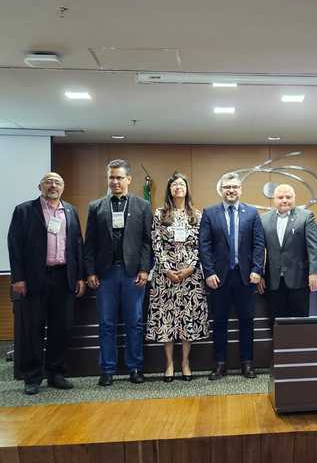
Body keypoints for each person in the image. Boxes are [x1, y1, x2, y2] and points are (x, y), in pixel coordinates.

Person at [8, 172, 85, 395]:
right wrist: (18, 278)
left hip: (64, 277)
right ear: (40, 186)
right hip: (35, 278)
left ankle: (56, 373)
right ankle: (32, 377)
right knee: (33, 328)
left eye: (57, 182)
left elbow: (77, 245)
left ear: (63, 187)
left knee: (61, 327)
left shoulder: (70, 211)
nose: (53, 185)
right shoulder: (24, 210)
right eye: (48, 182)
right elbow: (15, 245)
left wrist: (79, 276)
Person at [85, 159, 153, 386]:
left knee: (135, 322)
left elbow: (147, 242)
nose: (115, 181)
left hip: (133, 273)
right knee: (106, 323)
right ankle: (107, 370)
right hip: (105, 275)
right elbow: (89, 243)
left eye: (119, 177)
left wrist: (145, 269)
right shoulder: (96, 207)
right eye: (111, 177)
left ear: (128, 179)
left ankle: (135, 368)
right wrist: (90, 271)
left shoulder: (142, 206)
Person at [199, 172, 265, 379]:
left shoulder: (252, 213)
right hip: (219, 278)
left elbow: (259, 244)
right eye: (227, 187)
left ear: (240, 190)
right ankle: (220, 364)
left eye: (235, 187)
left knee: (247, 321)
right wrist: (209, 272)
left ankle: (247, 363)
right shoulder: (210, 213)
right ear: (221, 190)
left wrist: (257, 270)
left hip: (245, 277)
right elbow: (204, 245)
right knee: (219, 322)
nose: (231, 190)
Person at [146, 172, 208, 382]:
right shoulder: (160, 213)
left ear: (187, 189)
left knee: (187, 319)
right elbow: (156, 243)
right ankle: (169, 364)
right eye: (174, 185)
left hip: (190, 277)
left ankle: (185, 363)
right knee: (167, 319)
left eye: (181, 184)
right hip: (166, 278)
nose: (178, 187)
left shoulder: (196, 215)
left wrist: (190, 267)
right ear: (170, 190)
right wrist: (166, 269)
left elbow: (201, 244)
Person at [258, 184, 317, 320]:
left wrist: (314, 272)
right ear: (274, 199)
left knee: (299, 324)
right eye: (280, 197)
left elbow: (313, 247)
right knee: (276, 323)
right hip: (273, 281)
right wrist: (259, 274)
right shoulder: (264, 219)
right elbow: (259, 249)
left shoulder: (306, 216)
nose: (284, 200)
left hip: (299, 280)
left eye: (288, 197)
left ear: (294, 198)